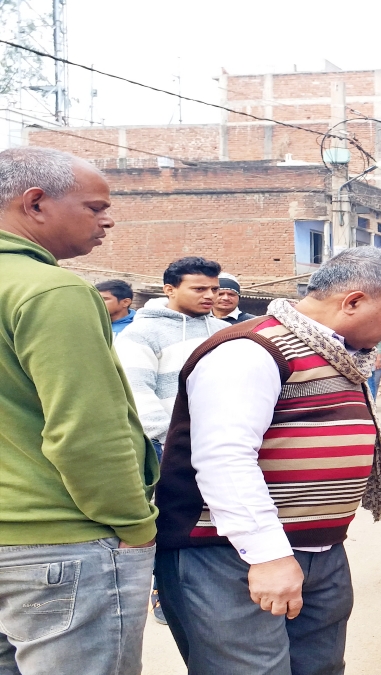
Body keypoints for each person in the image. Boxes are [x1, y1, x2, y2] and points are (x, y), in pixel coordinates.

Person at [154, 247, 381, 674]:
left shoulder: (340, 355)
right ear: (353, 301)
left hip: (318, 550)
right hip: (231, 554)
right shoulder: (251, 350)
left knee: (319, 668)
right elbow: (225, 458)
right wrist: (268, 556)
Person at [0, 146, 158, 673]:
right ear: (36, 203)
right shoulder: (50, 291)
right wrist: (135, 525)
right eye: (94, 208)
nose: (107, 220)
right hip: (61, 542)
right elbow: (86, 429)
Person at [115, 257, 226, 454]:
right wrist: (168, 439)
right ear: (169, 290)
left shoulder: (225, 331)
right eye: (199, 289)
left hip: (224, 441)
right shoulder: (141, 333)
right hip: (170, 447)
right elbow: (136, 391)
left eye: (214, 289)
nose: (210, 296)